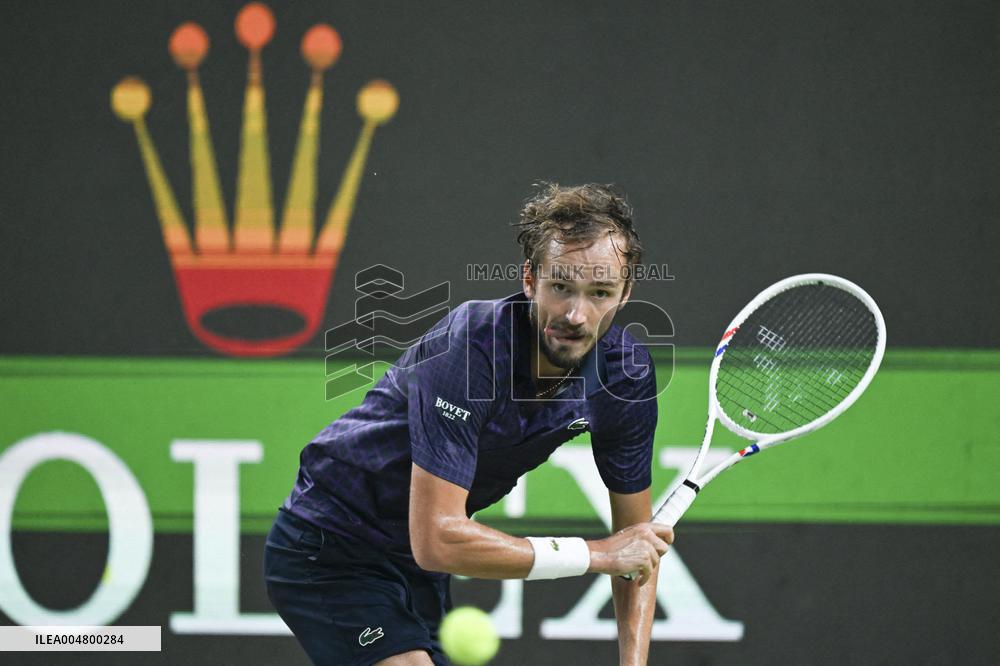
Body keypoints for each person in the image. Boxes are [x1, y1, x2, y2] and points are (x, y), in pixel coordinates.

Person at [264, 183, 673, 665]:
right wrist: (597, 554)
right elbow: (438, 537)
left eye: (600, 292)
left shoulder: (625, 375)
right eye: (560, 286)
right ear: (529, 279)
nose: (576, 315)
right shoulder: (470, 347)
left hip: (416, 568)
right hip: (331, 542)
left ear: (625, 293)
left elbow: (636, 551)